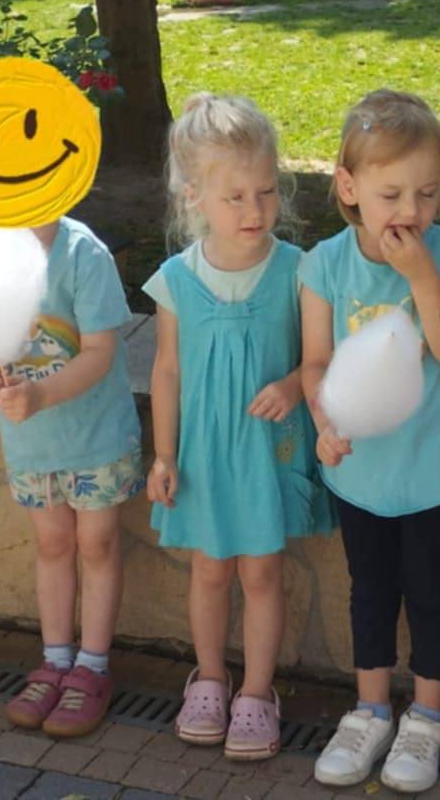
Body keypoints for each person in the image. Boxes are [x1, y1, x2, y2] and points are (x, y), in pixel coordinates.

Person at [303, 91, 440, 794]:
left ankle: (428, 718)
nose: (411, 210)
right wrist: (325, 422)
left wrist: (421, 276)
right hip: (363, 473)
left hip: (434, 467)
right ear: (349, 188)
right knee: (371, 591)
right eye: (391, 195)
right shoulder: (325, 264)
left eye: (428, 192)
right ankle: (371, 711)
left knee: (431, 593)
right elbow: (315, 364)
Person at [147, 94, 335, 761]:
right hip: (203, 457)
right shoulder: (175, 280)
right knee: (208, 571)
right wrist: (163, 455)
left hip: (266, 454)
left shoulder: (297, 270)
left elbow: (322, 356)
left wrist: (293, 385)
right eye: (234, 198)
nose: (254, 210)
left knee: (261, 574)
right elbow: (167, 371)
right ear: (194, 197)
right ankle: (209, 679)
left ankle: (257, 691)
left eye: (265, 192)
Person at [0, 185, 144, 741]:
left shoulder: (83, 254)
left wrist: (39, 395)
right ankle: (56, 661)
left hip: (95, 437)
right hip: (31, 443)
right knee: (53, 544)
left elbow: (100, 352)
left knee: (96, 544)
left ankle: (93, 668)